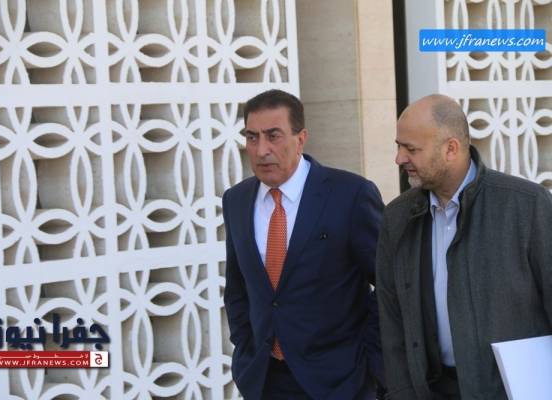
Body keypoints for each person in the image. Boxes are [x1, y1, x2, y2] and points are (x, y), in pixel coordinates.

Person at [376, 94, 552, 399]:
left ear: (451, 149)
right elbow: (392, 324)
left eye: (411, 149)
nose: (399, 159)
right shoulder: (397, 217)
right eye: (399, 146)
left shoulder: (527, 205)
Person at [222, 89, 385, 399]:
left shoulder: (350, 195)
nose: (261, 150)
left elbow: (390, 282)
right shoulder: (236, 200)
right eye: (252, 137)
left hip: (340, 382)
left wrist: (371, 363)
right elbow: (237, 288)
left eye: (273, 136)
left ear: (301, 139)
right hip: (264, 380)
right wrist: (246, 348)